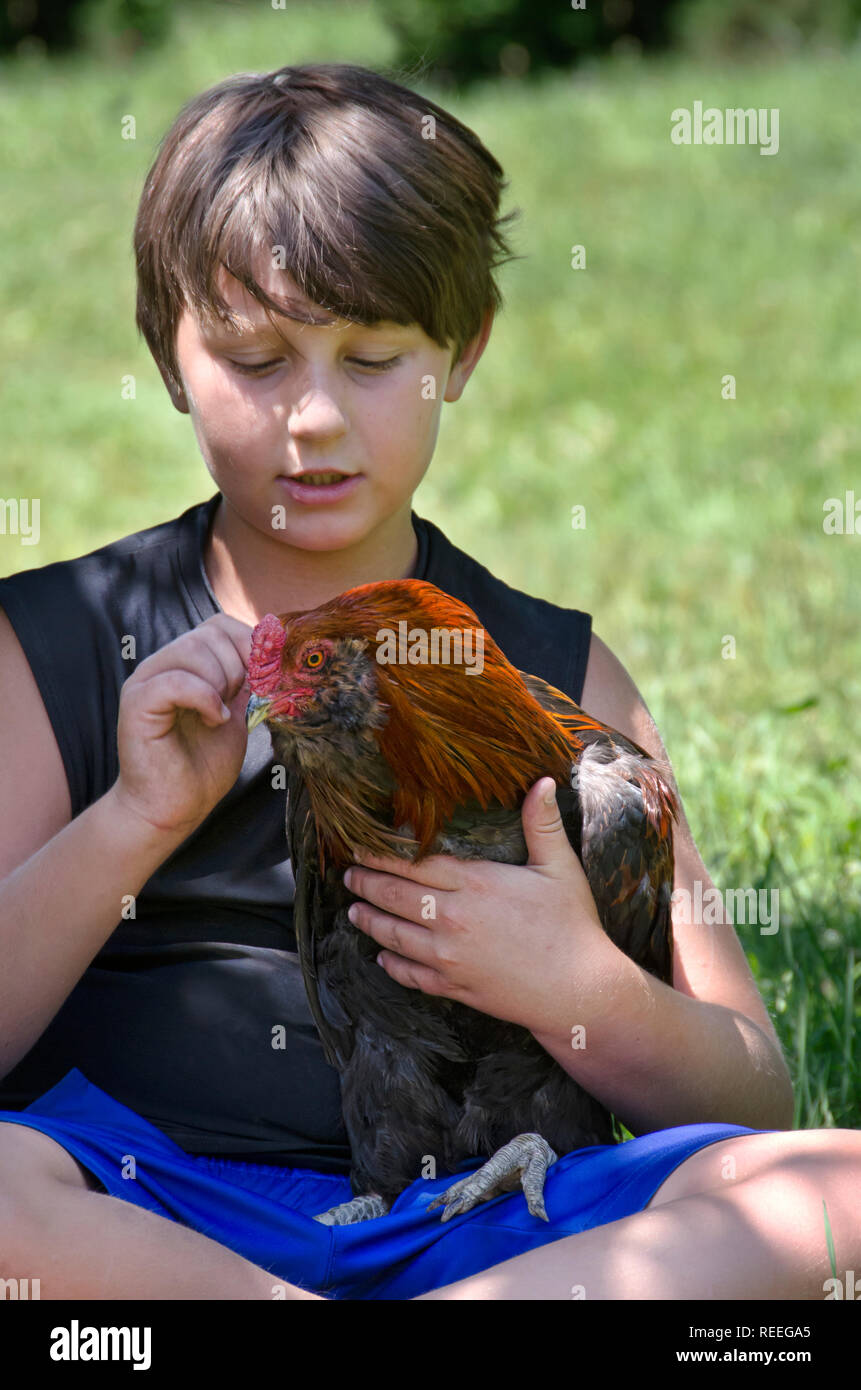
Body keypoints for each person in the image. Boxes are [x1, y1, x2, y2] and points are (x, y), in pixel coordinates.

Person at [0, 62, 857, 1302]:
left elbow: (753, 1092)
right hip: (154, 1213)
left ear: (462, 354)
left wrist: (582, 990)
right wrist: (131, 822)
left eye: (371, 355)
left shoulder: (557, 677)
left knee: (838, 1191)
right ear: (171, 359)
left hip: (502, 1211)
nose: (313, 420)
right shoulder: (62, 643)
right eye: (257, 358)